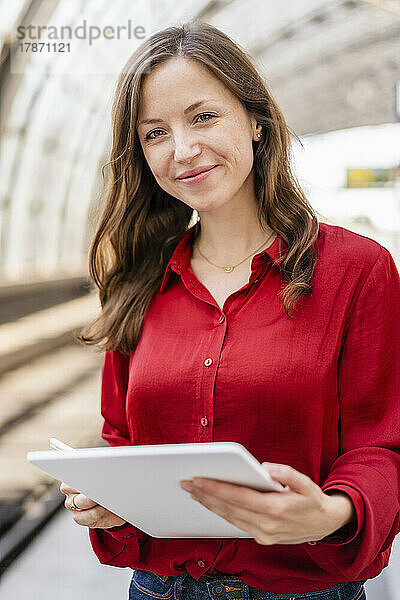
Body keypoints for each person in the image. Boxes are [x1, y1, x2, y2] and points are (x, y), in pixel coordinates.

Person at [60, 20, 400, 600]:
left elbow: (382, 445)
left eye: (203, 117)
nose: (183, 150)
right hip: (158, 590)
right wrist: (106, 501)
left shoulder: (356, 270)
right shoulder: (140, 279)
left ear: (256, 121)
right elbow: (122, 437)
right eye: (154, 134)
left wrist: (334, 512)